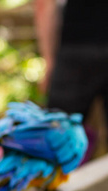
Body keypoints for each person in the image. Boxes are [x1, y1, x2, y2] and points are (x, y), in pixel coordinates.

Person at [35, 0, 108, 162]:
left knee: (58, 143)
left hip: (75, 50)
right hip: (76, 48)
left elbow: (45, 5)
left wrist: (49, 62)